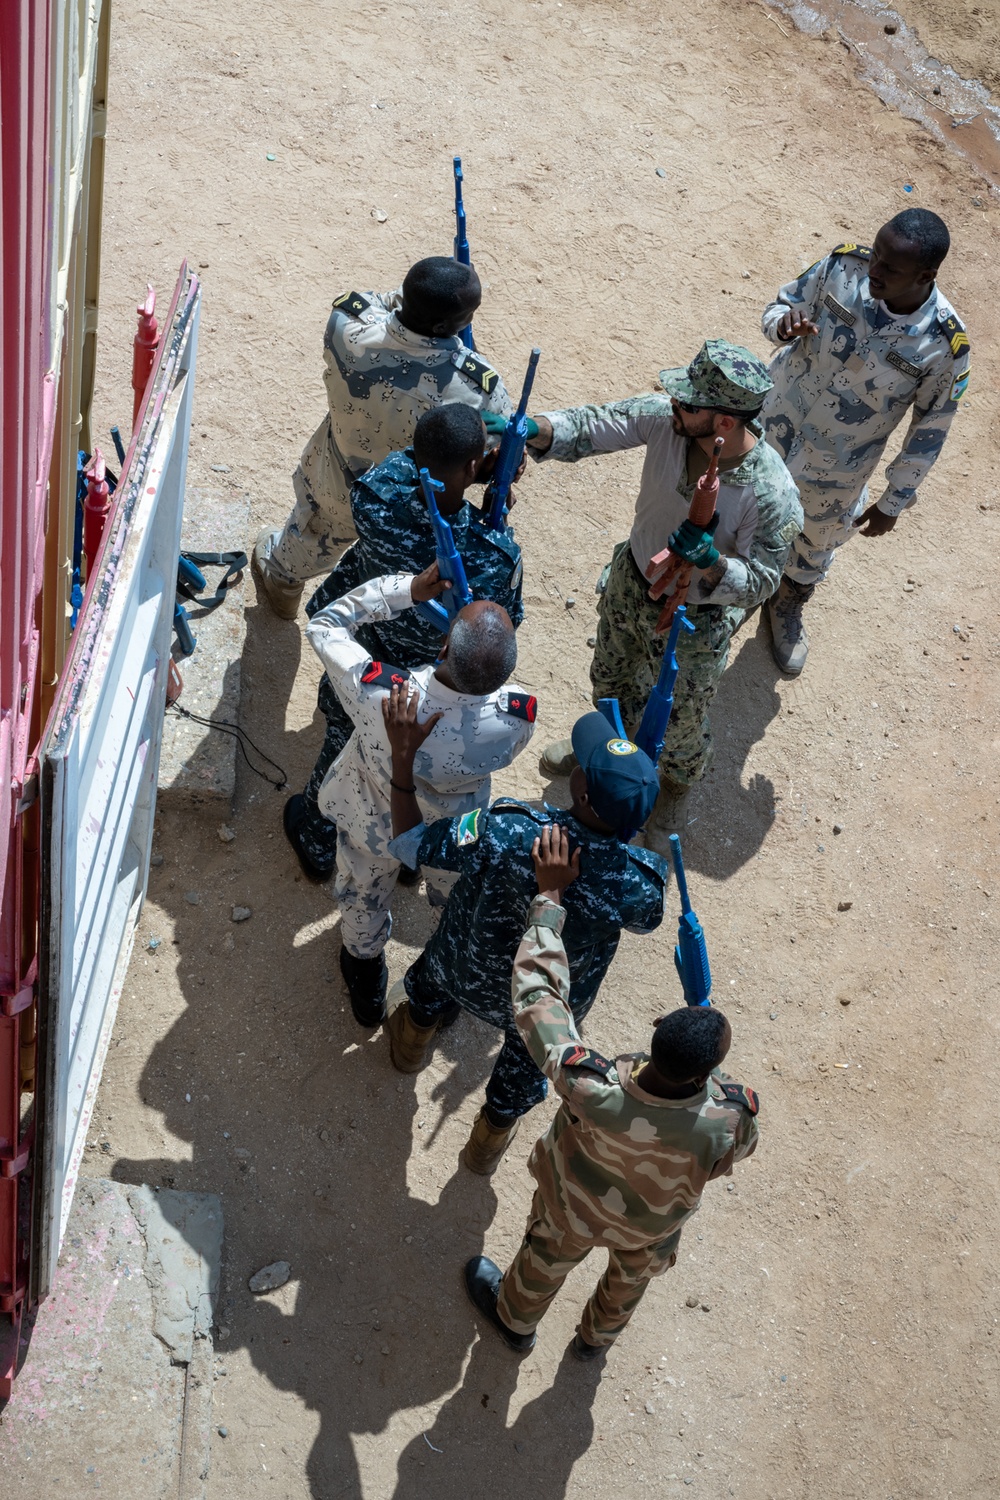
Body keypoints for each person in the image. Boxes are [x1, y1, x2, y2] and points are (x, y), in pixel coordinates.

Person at [464, 825, 759, 1361]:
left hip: (572, 1204)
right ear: (704, 1077)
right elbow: (731, 1150)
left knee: (545, 1256)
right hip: (650, 1228)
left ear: (656, 1027)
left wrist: (550, 899)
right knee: (629, 1281)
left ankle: (515, 1321)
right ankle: (594, 1342)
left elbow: (537, 995)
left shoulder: (588, 1086)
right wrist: (709, 1082)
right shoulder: (729, 1118)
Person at [503, 340, 801, 845]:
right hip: (632, 582)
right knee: (610, 677)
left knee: (680, 720)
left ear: (725, 422)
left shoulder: (771, 492)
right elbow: (597, 423)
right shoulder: (669, 420)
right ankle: (602, 749)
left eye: (689, 402)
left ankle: (673, 789)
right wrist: (535, 430)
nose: (674, 404)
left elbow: (764, 581)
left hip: (696, 619)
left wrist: (712, 562)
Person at [382, 704, 667, 1175]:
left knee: (426, 994)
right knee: (521, 1074)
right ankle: (484, 1149)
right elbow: (647, 920)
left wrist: (401, 764)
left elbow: (413, 844)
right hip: (542, 1008)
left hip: (462, 967)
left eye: (581, 764)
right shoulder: (640, 884)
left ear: (580, 792)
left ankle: (409, 1048)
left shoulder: (509, 828)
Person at [285, 404, 525, 881]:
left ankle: (317, 840)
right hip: (431, 678)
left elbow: (415, 461)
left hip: (364, 649)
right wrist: (486, 505)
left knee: (343, 739)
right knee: (419, 765)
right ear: (474, 466)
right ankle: (411, 853)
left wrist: (467, 471)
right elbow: (498, 625)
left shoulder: (373, 498)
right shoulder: (494, 557)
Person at [305, 563, 535, 1025]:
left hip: (374, 819)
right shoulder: (518, 717)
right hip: (450, 835)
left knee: (364, 896)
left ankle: (365, 976)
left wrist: (407, 589)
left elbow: (325, 622)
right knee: (450, 906)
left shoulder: (384, 697)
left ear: (445, 644)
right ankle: (437, 984)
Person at [760, 208, 970, 674]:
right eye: (875, 255)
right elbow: (780, 305)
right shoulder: (841, 267)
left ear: (925, 275)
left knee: (814, 538)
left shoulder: (942, 344)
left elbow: (930, 429)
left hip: (836, 465)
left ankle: (787, 603)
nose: (873, 271)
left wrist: (894, 501)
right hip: (772, 423)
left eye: (890, 267)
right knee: (744, 507)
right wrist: (783, 325)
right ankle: (737, 582)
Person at [252, 257, 514, 618]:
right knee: (399, 579)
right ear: (443, 324)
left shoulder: (345, 324)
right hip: (410, 505)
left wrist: (426, 311)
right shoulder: (480, 391)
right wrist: (461, 352)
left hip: (340, 474)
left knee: (312, 535)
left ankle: (283, 585)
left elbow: (387, 304)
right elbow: (488, 455)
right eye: (469, 314)